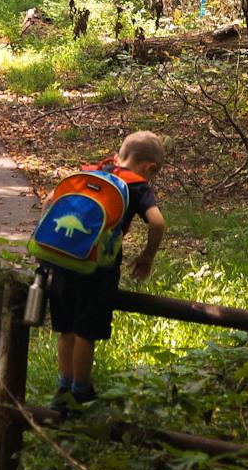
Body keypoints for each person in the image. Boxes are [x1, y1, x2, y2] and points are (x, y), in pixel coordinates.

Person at [46, 130, 166, 412]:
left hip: (64, 261)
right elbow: (158, 223)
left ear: (119, 155)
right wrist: (147, 256)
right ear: (149, 168)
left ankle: (62, 388)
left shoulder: (92, 173)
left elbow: (50, 201)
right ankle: (81, 391)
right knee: (86, 333)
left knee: (66, 330)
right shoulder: (137, 186)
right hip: (97, 272)